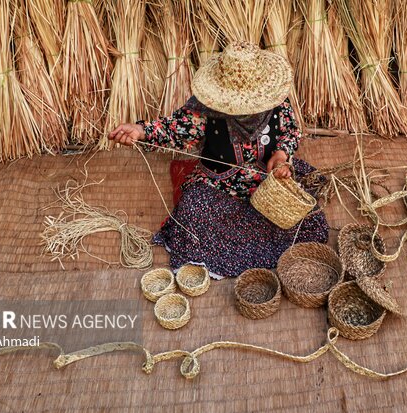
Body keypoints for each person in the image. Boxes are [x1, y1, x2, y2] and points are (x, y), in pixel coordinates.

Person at [109, 42, 329, 278]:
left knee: (303, 217)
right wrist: (140, 131)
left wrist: (281, 155)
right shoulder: (206, 109)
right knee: (193, 210)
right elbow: (174, 129)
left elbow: (291, 132)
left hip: (267, 183)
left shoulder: (277, 103)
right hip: (217, 186)